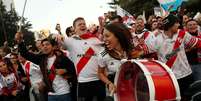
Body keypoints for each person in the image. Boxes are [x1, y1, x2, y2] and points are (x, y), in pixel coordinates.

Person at [132, 14, 201, 100]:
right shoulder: (157, 39)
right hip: (170, 78)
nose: (179, 25)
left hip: (186, 74)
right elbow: (138, 52)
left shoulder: (182, 34)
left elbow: (197, 43)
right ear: (170, 25)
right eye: (176, 23)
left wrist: (188, 48)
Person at [15, 33, 77, 101]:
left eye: (47, 44)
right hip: (51, 94)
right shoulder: (41, 59)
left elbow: (74, 69)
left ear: (53, 47)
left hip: (64, 93)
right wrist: (20, 41)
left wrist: (65, 70)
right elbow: (25, 54)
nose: (44, 46)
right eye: (43, 45)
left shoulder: (62, 57)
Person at [60, 17, 105, 101]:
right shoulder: (70, 41)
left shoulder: (94, 38)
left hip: (99, 80)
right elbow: (61, 45)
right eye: (79, 24)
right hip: (83, 82)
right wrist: (58, 36)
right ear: (74, 28)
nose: (82, 25)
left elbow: (105, 49)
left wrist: (101, 26)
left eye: (84, 24)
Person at [97, 23, 133, 93]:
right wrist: (109, 83)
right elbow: (100, 73)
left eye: (107, 36)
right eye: (103, 36)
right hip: (115, 93)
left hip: (132, 89)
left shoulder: (132, 50)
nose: (104, 39)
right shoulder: (103, 54)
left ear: (118, 36)